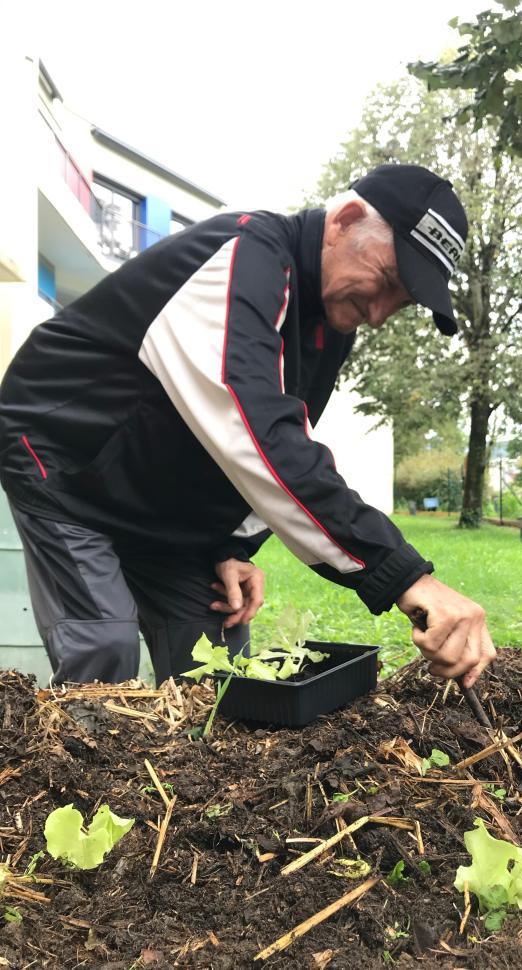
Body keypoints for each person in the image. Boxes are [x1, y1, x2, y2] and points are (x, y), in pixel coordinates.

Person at [0, 163, 496, 687]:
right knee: (103, 648)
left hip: (152, 492)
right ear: (344, 220)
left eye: (401, 302)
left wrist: (230, 546)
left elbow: (277, 437)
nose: (379, 313)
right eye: (388, 281)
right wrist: (404, 575)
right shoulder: (243, 257)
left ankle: (180, 766)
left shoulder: (328, 324)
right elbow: (257, 433)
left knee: (217, 654)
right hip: (64, 459)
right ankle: (74, 762)